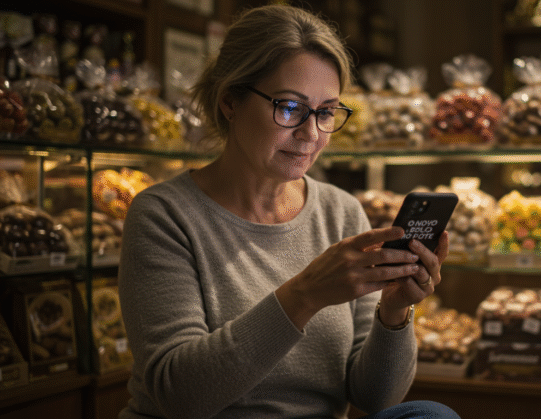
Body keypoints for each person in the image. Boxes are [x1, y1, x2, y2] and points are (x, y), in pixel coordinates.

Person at [117, 4, 460, 419]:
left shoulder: (340, 211)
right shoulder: (163, 216)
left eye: (326, 112)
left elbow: (375, 400)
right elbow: (179, 396)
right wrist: (304, 295)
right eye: (290, 107)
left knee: (431, 415)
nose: (310, 133)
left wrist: (393, 312)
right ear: (230, 101)